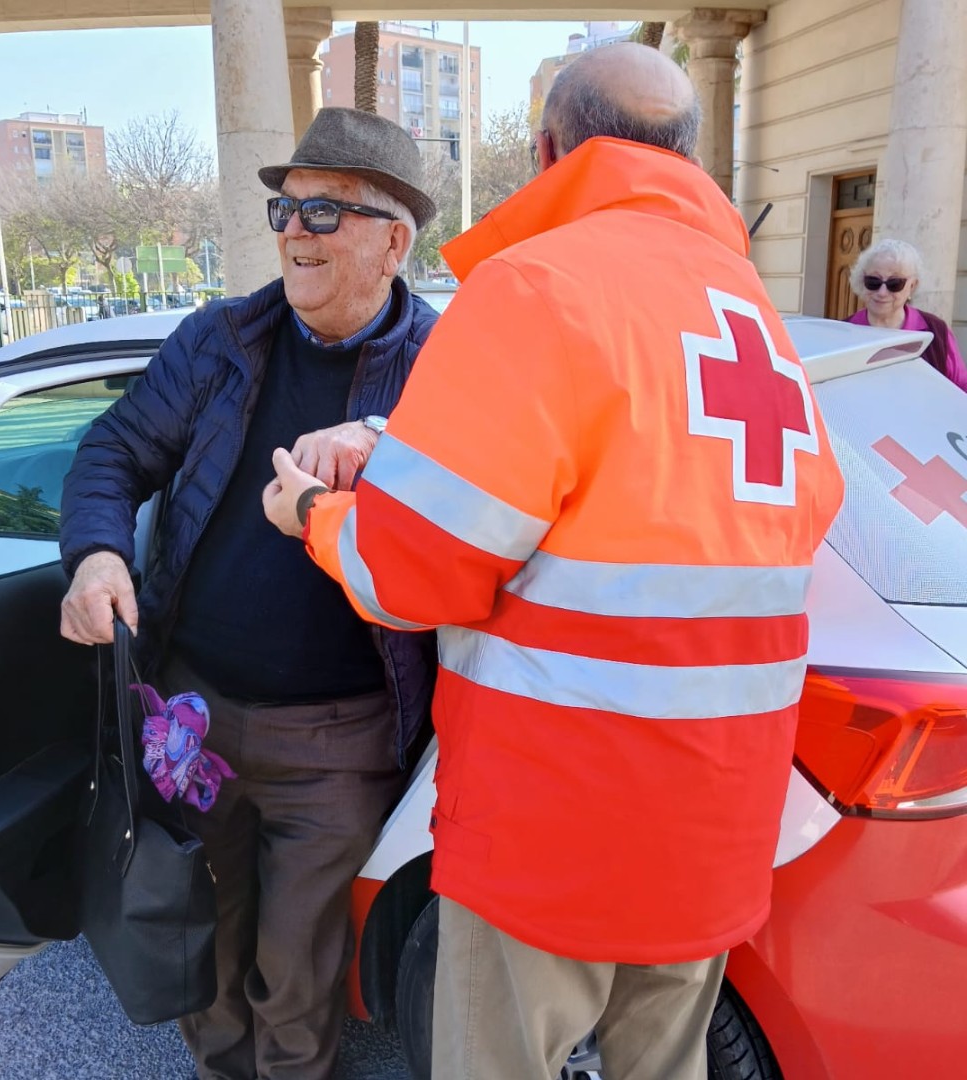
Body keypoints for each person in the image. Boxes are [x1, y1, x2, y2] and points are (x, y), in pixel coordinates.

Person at [264, 43, 844, 1080]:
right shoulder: (752, 316)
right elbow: (651, 483)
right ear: (684, 153)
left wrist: (310, 510)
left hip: (554, 832)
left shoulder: (541, 287)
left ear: (548, 152)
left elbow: (412, 572)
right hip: (713, 834)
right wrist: (402, 440)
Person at [58, 107, 440, 1080]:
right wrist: (98, 557)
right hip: (193, 714)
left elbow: (488, 502)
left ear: (394, 241)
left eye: (325, 214)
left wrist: (385, 442)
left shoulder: (447, 368)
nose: (293, 233)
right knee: (206, 943)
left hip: (341, 743)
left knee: (296, 972)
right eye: (285, 209)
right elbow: (114, 450)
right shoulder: (221, 338)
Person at [847, 237, 967, 391]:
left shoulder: (936, 330)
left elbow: (961, 386)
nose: (882, 293)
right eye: (873, 282)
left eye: (894, 284)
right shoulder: (844, 331)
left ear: (912, 286)